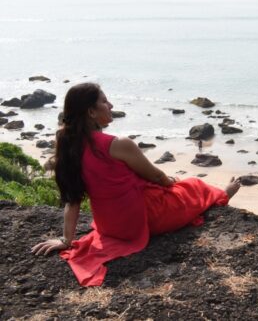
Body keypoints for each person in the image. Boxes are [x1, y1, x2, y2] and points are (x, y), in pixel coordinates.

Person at [31, 83, 241, 286]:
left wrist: (66, 240)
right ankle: (222, 195)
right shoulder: (118, 144)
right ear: (91, 112)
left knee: (184, 187)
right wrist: (171, 183)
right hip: (141, 219)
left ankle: (217, 195)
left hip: (110, 226)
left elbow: (72, 199)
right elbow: (157, 176)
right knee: (193, 185)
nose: (111, 105)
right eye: (105, 102)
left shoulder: (70, 146)